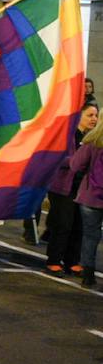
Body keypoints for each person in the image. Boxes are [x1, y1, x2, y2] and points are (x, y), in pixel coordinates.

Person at [46, 102, 99, 275]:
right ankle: (54, 259)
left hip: (82, 189)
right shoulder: (67, 135)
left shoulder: (94, 137)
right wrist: (77, 160)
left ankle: (72, 261)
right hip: (63, 187)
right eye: (90, 115)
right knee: (63, 224)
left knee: (79, 226)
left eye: (96, 116)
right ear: (79, 116)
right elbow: (56, 159)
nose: (94, 119)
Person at [65, 117, 103, 287]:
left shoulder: (91, 141)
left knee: (90, 236)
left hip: (91, 197)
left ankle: (88, 275)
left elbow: (75, 166)